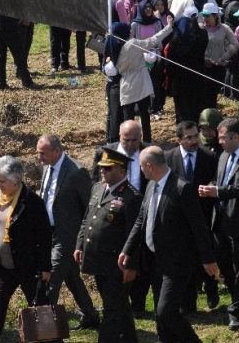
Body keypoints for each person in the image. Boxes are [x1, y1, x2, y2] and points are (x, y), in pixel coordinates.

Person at [119, 146, 218, 342]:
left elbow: (199, 227)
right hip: (154, 261)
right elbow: (141, 220)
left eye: (141, 167)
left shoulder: (182, 188)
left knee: (166, 311)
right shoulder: (150, 186)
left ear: (149, 166)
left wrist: (207, 259)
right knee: (160, 314)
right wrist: (127, 249)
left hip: (178, 263)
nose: (140, 171)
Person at [198, 118, 239, 330]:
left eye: (222, 138)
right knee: (224, 263)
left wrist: (217, 192)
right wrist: (212, 187)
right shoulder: (224, 155)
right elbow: (221, 181)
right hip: (221, 221)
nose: (219, 142)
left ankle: (238, 310)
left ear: (235, 137)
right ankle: (238, 296)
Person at [0, 156, 52, 343]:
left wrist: (45, 267)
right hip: (3, 269)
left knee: (41, 312)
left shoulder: (32, 202)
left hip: (29, 267)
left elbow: (44, 236)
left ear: (16, 180)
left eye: (2, 181)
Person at [74, 147, 143, 342]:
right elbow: (87, 219)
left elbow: (134, 235)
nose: (102, 171)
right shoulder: (97, 188)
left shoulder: (131, 197)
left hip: (117, 264)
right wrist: (80, 244)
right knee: (117, 304)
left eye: (108, 168)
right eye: (102, 167)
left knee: (112, 308)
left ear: (122, 171)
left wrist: (131, 266)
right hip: (98, 260)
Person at [36, 134, 99, 330]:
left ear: (57, 151)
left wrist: (82, 238)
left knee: (51, 277)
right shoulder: (47, 166)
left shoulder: (76, 172)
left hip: (68, 235)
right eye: (38, 153)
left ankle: (45, 327)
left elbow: (90, 206)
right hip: (49, 233)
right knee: (71, 277)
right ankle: (90, 315)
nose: (39, 157)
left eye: (43, 153)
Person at [91, 120, 150, 315]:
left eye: (135, 140)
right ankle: (119, 301)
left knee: (139, 257)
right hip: (113, 212)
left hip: (141, 211)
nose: (131, 144)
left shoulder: (148, 152)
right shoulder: (104, 153)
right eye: (127, 140)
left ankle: (138, 302)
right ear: (119, 136)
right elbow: (96, 183)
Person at [165, 121, 218, 314]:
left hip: (202, 215)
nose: (194, 140)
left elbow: (215, 178)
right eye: (189, 137)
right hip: (179, 219)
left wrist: (210, 188)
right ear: (179, 140)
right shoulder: (169, 158)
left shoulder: (209, 156)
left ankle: (211, 290)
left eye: (196, 135)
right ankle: (189, 300)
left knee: (205, 254)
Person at [107, 21, 174, 144]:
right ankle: (147, 141)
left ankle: (128, 142)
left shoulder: (114, 47)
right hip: (140, 82)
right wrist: (169, 27)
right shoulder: (132, 44)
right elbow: (152, 41)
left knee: (129, 118)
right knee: (144, 114)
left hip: (126, 84)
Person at [165, 15, 209, 124]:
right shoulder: (199, 39)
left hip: (179, 84)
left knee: (182, 114)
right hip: (197, 80)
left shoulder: (174, 42)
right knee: (195, 112)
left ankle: (184, 137)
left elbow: (169, 65)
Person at [201, 2, 239, 109]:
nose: (205, 18)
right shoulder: (200, 28)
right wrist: (203, 59)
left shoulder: (224, 29)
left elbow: (235, 44)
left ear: (215, 16)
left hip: (217, 67)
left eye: (208, 16)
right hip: (202, 67)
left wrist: (224, 57)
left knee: (212, 95)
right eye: (203, 15)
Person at [0, 13, 36, 89]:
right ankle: (27, 82)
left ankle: (0, 83)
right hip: (8, 24)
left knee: (0, 55)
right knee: (18, 54)